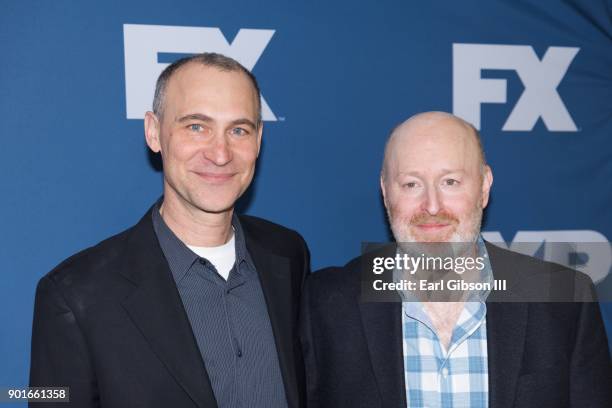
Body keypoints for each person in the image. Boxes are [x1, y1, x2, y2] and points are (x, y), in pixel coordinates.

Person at [30, 53, 309, 408]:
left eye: (239, 130)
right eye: (196, 126)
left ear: (258, 140)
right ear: (153, 132)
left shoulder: (288, 254)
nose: (220, 153)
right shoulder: (74, 295)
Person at [300, 111, 611, 408]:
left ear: (484, 187)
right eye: (411, 184)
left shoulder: (565, 300)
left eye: (450, 182)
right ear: (385, 192)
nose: (432, 206)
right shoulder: (327, 303)